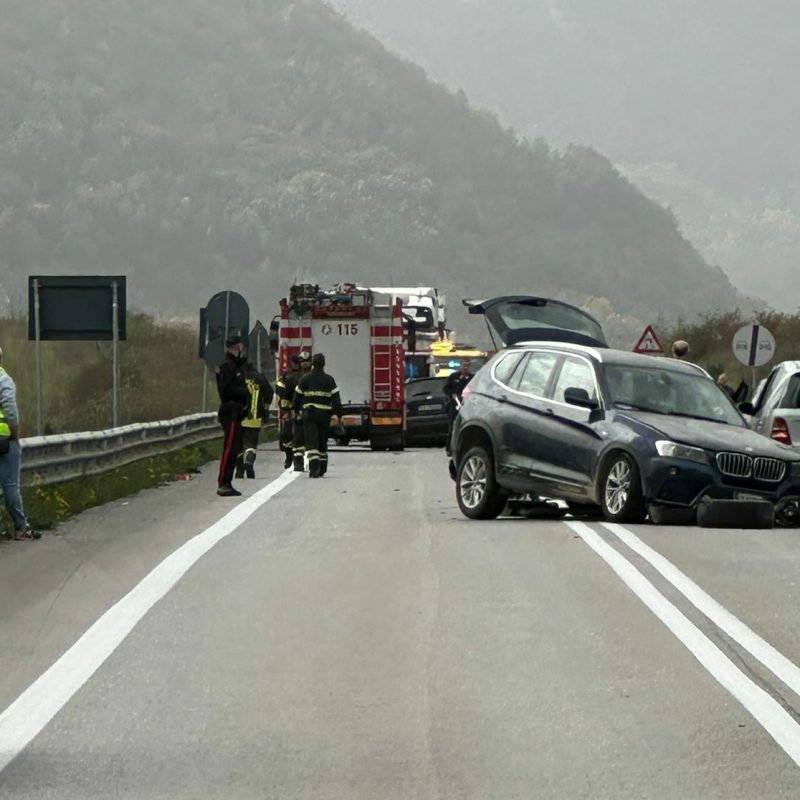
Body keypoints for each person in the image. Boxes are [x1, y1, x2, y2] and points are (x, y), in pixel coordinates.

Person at [0, 348, 40, 540]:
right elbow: (10, 409)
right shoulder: (3, 380)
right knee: (10, 485)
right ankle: (20, 527)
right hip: (5, 440)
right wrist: (14, 432)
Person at [295, 352, 342, 479]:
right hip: (324, 416)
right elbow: (336, 399)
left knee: (312, 442)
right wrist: (337, 414)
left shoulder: (304, 379)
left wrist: (297, 411)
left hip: (309, 415)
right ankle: (322, 467)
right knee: (322, 441)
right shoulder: (329, 380)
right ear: (323, 364)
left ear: (312, 363)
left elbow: (297, 397)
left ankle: (314, 468)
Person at [215, 336, 251, 497]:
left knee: (235, 448)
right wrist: (243, 394)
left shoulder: (235, 367)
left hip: (237, 413)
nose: (241, 350)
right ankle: (223, 482)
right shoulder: (226, 367)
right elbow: (225, 390)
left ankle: (227, 482)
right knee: (229, 449)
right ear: (234, 347)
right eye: (239, 347)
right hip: (230, 412)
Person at [235, 361, 274, 480]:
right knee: (251, 443)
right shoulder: (259, 378)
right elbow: (270, 393)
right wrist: (265, 408)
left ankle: (239, 471)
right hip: (254, 417)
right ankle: (249, 461)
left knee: (238, 445)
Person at [276, 354, 302, 469]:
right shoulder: (287, 376)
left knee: (296, 435)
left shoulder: (303, 376)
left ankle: (295, 459)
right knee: (286, 435)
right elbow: (279, 387)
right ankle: (290, 457)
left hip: (299, 410)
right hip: (292, 410)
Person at [443, 359, 473, 456]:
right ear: (460, 366)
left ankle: (464, 449)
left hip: (467, 406)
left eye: (467, 366)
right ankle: (449, 448)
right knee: (452, 427)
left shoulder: (472, 378)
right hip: (454, 405)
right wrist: (452, 394)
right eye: (463, 365)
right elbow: (446, 388)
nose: (465, 368)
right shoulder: (454, 377)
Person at [291, 351, 312, 471]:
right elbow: (290, 395)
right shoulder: (293, 377)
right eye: (302, 362)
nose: (304, 364)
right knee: (298, 439)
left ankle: (313, 463)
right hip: (299, 411)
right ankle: (298, 463)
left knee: (312, 438)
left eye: (307, 361)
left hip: (310, 412)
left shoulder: (313, 377)